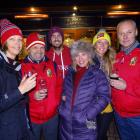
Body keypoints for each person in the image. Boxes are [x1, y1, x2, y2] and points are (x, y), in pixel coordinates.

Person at [59, 40, 110, 140]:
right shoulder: (70, 72)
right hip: (66, 124)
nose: (80, 58)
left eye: (83, 54)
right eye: (77, 55)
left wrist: (89, 114)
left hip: (86, 124)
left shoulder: (97, 73)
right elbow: (64, 91)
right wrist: (62, 108)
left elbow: (105, 97)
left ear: (89, 56)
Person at [0, 19, 37, 140]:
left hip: (22, 126)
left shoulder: (17, 66)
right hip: (7, 132)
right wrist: (20, 90)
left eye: (19, 39)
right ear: (4, 42)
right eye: (12, 39)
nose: (17, 43)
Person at [21, 32, 62, 140]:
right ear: (28, 49)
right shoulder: (21, 68)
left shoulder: (53, 65)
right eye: (35, 47)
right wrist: (31, 97)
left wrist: (55, 103)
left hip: (52, 117)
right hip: (32, 118)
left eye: (41, 47)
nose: (39, 51)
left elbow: (59, 86)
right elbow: (18, 94)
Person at [110, 19, 140, 140]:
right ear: (117, 36)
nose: (125, 37)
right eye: (121, 33)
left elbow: (124, 84)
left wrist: (127, 87)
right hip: (119, 114)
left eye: (129, 32)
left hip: (137, 116)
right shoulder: (118, 56)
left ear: (136, 32)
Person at [93, 29, 116, 140]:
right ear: (94, 44)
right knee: (94, 134)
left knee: (101, 134)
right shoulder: (87, 60)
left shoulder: (113, 60)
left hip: (107, 104)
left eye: (105, 42)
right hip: (92, 104)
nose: (102, 45)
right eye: (99, 42)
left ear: (109, 45)